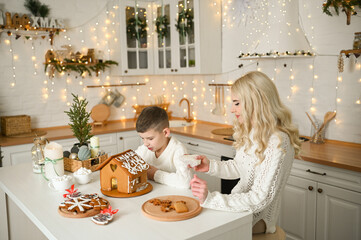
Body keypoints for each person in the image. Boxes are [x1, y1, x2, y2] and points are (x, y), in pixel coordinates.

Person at [190, 71, 301, 234]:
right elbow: (239, 167)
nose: (231, 109)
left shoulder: (277, 140)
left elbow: (260, 198)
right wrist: (210, 166)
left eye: (236, 103)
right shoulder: (253, 131)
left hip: (257, 219)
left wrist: (211, 198)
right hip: (241, 208)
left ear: (255, 102)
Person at [135, 106, 192, 189]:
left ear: (165, 132)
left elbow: (185, 182)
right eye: (142, 138)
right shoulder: (145, 148)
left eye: (150, 139)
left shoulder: (178, 150)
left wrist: (155, 174)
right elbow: (130, 161)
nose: (145, 143)